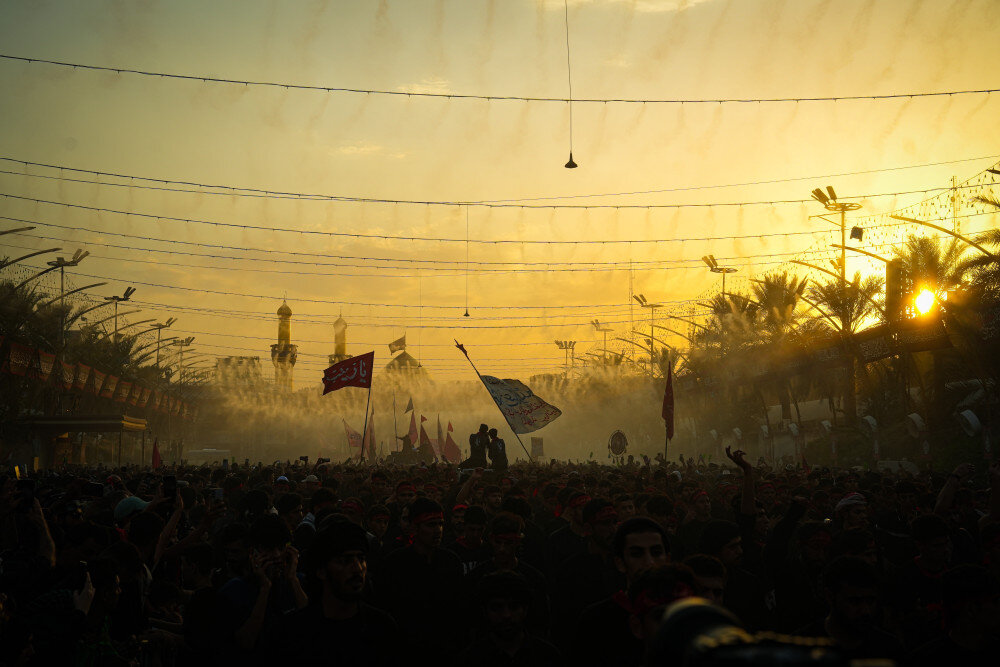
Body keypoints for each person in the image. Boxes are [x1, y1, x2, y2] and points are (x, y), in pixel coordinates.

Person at [265, 520, 399, 666]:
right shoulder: (291, 634)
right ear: (321, 571)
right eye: (344, 561)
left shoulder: (381, 629)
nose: (358, 568)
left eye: (361, 559)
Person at [797, 556, 902, 660]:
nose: (865, 610)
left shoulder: (889, 648)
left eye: (870, 601)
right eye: (854, 601)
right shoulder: (801, 649)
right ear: (829, 596)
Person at [456, 571, 562, 666]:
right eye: (497, 608)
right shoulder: (469, 660)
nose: (506, 615)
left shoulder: (548, 657)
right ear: (485, 611)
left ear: (525, 609)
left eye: (514, 607)